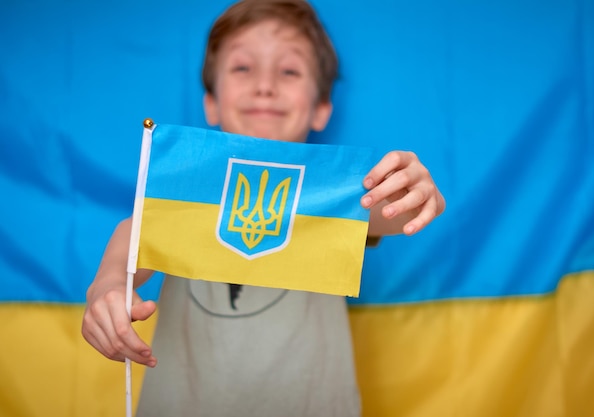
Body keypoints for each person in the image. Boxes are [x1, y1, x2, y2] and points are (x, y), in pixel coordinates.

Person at [81, 0, 445, 416]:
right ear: (211, 103)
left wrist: (410, 189)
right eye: (242, 68)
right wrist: (108, 285)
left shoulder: (335, 196)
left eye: (289, 71)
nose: (265, 85)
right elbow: (138, 231)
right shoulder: (185, 195)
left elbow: (383, 211)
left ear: (322, 107)